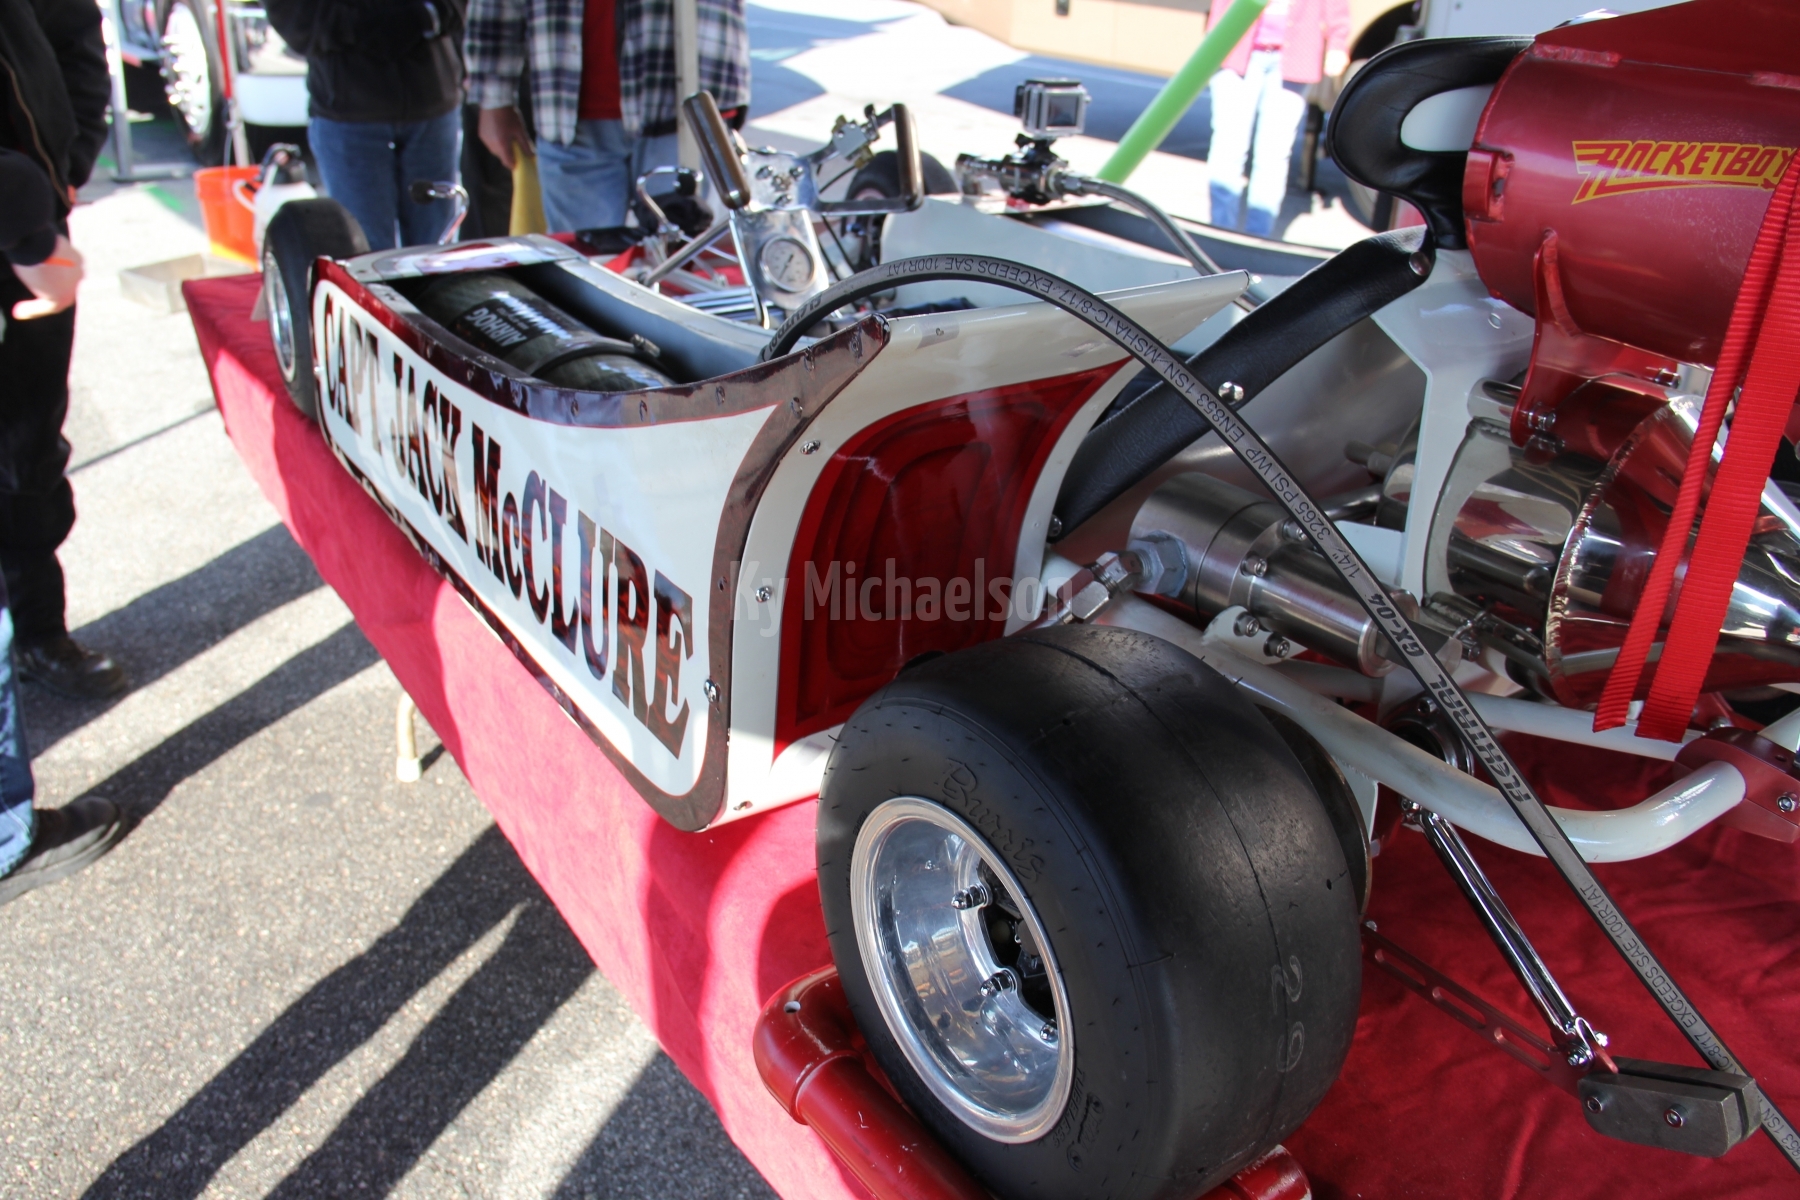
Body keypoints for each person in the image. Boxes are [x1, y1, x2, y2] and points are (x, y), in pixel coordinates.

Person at [0, 0, 127, 904]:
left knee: (31, 451)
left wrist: (63, 171)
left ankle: (38, 628)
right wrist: (25, 216)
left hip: (31, 225)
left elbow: (75, 41)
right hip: (20, 231)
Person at [466, 0, 750, 232]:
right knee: (584, 271)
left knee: (684, 261)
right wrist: (494, 99)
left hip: (687, 99)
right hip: (569, 106)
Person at [265, 0, 468, 251]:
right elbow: (293, 16)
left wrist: (425, 16)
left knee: (436, 252)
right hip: (347, 112)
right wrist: (372, 25)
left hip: (431, 102)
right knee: (363, 253)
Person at [1204, 0, 1349, 238]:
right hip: (1236, 47)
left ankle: (1258, 239)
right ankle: (1220, 234)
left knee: (1273, 154)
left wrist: (1338, 41)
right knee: (1228, 147)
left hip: (1295, 55)